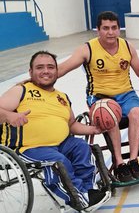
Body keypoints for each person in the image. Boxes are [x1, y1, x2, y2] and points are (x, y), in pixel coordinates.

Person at [58, 11, 139, 182]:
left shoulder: (127, 46)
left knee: (137, 113)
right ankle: (119, 162)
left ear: (118, 29)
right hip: (99, 96)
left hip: (126, 93)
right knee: (110, 116)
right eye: (106, 28)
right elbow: (62, 68)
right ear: (97, 30)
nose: (110, 32)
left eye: (114, 28)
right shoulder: (88, 49)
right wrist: (36, 79)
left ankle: (133, 160)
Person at [0, 51, 109, 210]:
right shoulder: (21, 90)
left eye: (50, 67)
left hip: (61, 143)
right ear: (31, 72)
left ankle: (88, 190)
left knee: (82, 147)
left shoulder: (62, 97)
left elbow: (71, 125)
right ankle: (79, 199)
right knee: (58, 161)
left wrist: (93, 129)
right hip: (28, 148)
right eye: (40, 67)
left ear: (57, 71)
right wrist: (9, 116)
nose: (46, 71)